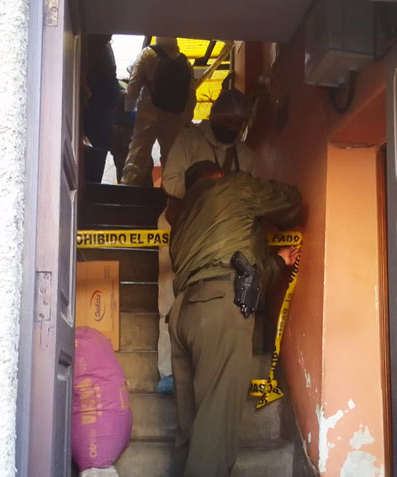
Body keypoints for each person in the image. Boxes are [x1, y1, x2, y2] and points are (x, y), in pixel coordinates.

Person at [167, 161, 302, 476]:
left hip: (181, 312)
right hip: (219, 310)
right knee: (215, 428)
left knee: (191, 428)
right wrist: (275, 258)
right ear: (217, 174)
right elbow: (291, 203)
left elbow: (227, 260)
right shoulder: (234, 186)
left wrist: (275, 261)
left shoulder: (181, 219)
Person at [154, 88, 256, 394]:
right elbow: (170, 182)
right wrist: (209, 190)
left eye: (239, 123)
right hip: (180, 229)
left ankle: (210, 371)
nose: (233, 128)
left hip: (221, 237)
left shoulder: (246, 155)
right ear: (214, 117)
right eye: (228, 121)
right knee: (171, 297)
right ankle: (169, 371)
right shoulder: (189, 141)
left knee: (219, 301)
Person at [120, 37, 196, 186]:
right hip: (176, 116)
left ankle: (128, 187)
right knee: (171, 159)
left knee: (138, 154)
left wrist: (128, 107)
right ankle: (168, 194)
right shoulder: (185, 63)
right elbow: (192, 97)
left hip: (148, 113)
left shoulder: (147, 54)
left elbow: (134, 84)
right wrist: (186, 119)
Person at [82, 35, 120, 183]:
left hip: (97, 108)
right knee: (98, 151)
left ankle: (91, 185)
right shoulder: (103, 50)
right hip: (102, 110)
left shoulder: (96, 48)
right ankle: (93, 184)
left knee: (96, 151)